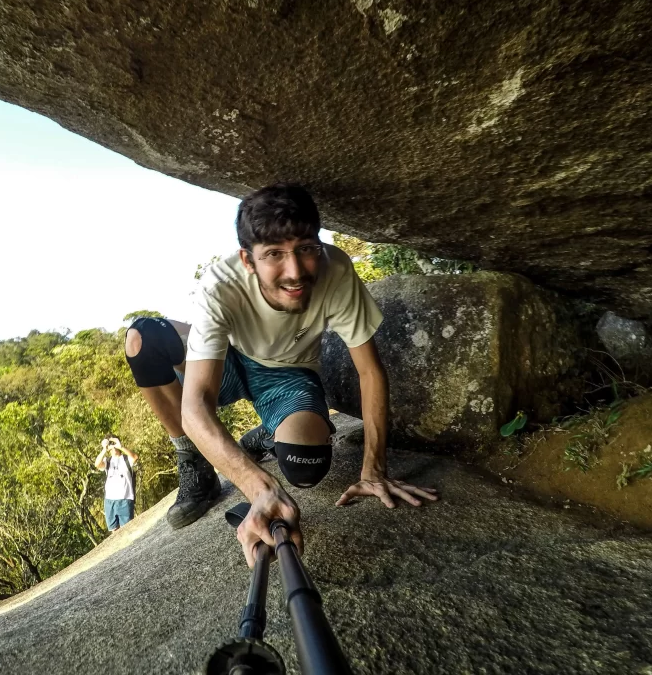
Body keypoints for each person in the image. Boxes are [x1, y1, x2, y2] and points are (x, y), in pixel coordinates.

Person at [123, 183, 439, 565]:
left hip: (287, 374)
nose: (295, 271)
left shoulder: (335, 270)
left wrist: (373, 469)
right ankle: (193, 462)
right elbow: (195, 408)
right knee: (142, 338)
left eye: (306, 248)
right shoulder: (220, 284)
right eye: (274, 254)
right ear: (247, 259)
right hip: (227, 357)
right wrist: (258, 488)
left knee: (306, 470)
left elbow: (369, 371)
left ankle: (273, 431)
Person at [95, 436, 139, 532]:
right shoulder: (108, 461)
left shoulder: (127, 459)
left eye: (114, 444)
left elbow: (135, 457)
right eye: (111, 444)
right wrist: (104, 449)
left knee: (127, 530)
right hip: (110, 500)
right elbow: (97, 464)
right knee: (114, 531)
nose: (113, 447)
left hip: (125, 499)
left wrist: (121, 447)